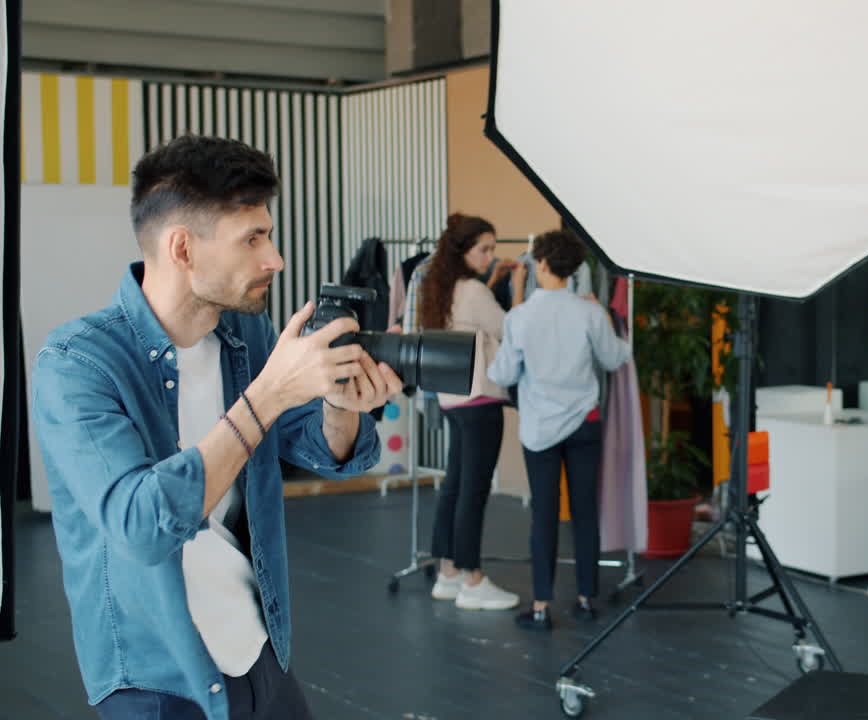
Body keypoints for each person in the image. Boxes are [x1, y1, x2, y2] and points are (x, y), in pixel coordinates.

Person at [31, 135, 401, 720]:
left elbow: (321, 448)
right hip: (155, 677)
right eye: (252, 239)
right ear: (182, 248)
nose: (275, 259)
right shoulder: (78, 364)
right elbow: (141, 526)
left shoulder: (246, 335)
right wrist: (269, 393)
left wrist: (340, 403)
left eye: (268, 235)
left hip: (259, 648)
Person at [488, 230, 631, 630]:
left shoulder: (520, 316)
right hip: (585, 422)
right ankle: (585, 599)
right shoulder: (589, 312)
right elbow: (614, 358)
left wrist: (515, 302)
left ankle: (540, 606)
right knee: (585, 512)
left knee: (544, 515)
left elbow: (503, 373)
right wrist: (606, 319)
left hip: (540, 429)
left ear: (541, 264)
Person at [414, 213, 523, 610]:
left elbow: (474, 325)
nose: (490, 257)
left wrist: (491, 286)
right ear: (464, 252)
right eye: (484, 249)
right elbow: (513, 329)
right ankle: (473, 579)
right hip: (481, 401)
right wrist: (518, 288)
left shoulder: (441, 291)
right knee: (473, 491)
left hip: (454, 399)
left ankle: (448, 573)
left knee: (455, 486)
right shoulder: (474, 292)